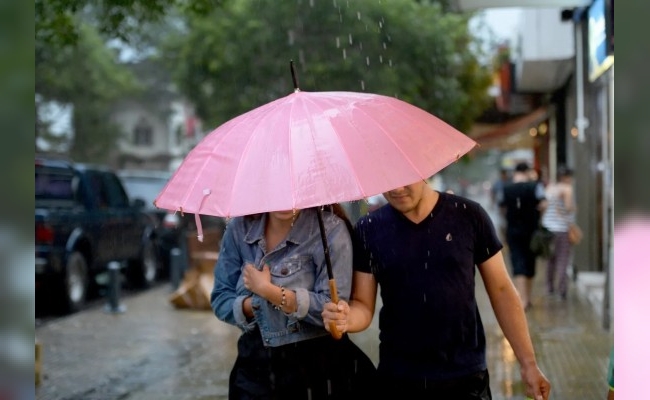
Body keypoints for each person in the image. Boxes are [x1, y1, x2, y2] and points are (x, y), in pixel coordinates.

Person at [322, 180, 551, 400]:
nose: (397, 188)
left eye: (405, 178)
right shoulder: (368, 229)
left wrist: (528, 363)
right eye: (389, 180)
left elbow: (502, 291)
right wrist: (345, 318)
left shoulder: (469, 215)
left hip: (465, 377)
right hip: (399, 378)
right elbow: (362, 305)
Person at [211, 205, 376, 399]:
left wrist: (269, 291)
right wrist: (255, 304)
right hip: (255, 367)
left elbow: (333, 311)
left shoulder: (330, 229)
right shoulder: (239, 229)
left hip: (318, 367)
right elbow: (221, 299)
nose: (284, 201)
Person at [499, 162, 546, 309]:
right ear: (527, 171)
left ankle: (522, 299)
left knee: (518, 262)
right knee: (530, 262)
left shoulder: (506, 188)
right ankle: (527, 298)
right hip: (531, 230)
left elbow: (502, 207)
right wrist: (538, 214)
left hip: (513, 230)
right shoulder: (535, 186)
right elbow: (544, 203)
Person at [540, 166, 576, 299]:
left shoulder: (550, 188)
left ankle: (549, 287)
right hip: (561, 229)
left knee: (550, 260)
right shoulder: (567, 189)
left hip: (548, 229)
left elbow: (542, 207)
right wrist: (573, 208)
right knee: (562, 259)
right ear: (566, 177)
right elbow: (568, 207)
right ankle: (562, 290)